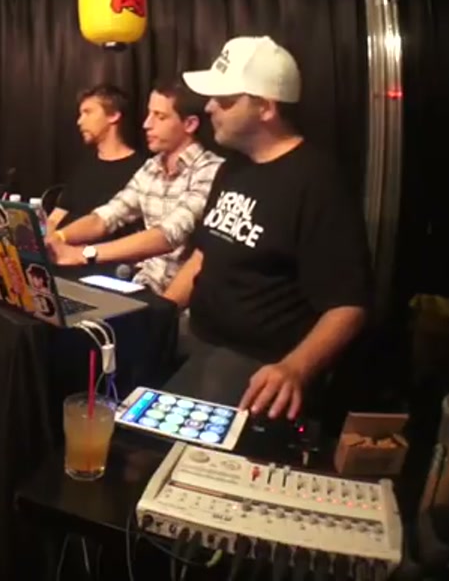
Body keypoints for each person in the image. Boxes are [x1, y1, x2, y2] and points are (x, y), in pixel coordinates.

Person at [161, 36, 372, 420]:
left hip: (254, 360)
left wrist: (294, 369)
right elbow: (204, 255)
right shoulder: (232, 168)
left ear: (266, 108)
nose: (209, 107)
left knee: (158, 443)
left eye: (225, 100)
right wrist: (158, 313)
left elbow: (348, 306)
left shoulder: (317, 182)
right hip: (196, 336)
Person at [45, 80, 224, 294]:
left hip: (179, 298)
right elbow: (106, 217)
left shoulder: (211, 170)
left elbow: (167, 236)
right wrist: (56, 238)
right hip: (141, 284)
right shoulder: (151, 167)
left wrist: (84, 254)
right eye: (149, 114)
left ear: (190, 124)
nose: (147, 124)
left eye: (160, 116)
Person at [45, 84, 145, 234]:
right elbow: (56, 217)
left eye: (88, 112)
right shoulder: (84, 166)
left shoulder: (141, 170)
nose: (80, 121)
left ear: (113, 115)